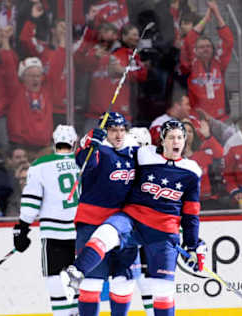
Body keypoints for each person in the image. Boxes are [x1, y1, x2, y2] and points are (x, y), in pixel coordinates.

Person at [60, 119, 205, 316]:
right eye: (171, 137)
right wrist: (91, 144)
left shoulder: (192, 170)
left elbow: (191, 214)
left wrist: (193, 244)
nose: (176, 141)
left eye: (180, 137)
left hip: (163, 231)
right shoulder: (144, 154)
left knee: (163, 291)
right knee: (106, 231)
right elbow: (115, 151)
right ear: (162, 140)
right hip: (133, 220)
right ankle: (75, 273)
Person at [70, 111, 141, 316]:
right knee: (91, 284)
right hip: (93, 223)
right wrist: (91, 144)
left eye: (122, 130)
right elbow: (84, 164)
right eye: (112, 130)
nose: (118, 135)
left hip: (125, 226)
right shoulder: (98, 148)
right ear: (105, 131)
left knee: (124, 282)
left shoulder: (134, 152)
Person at [12, 124, 79, 315]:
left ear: (54, 142)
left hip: (54, 235)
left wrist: (22, 228)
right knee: (80, 282)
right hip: (81, 234)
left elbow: (31, 201)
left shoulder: (40, 165)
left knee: (56, 281)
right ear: (74, 143)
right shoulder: (82, 162)